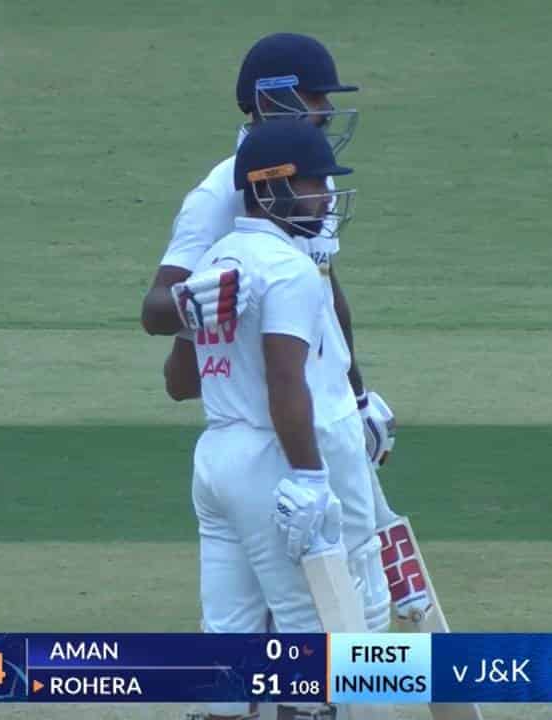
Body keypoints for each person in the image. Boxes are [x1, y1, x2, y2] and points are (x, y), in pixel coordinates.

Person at [146, 32, 397, 637]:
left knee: (255, 626)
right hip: (275, 431)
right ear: (270, 98)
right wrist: (197, 309)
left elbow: (326, 289)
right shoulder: (220, 196)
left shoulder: (310, 183)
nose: (328, 110)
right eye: (315, 96)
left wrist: (357, 394)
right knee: (324, 624)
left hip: (300, 421)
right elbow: (159, 311)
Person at [172, 120, 361, 720]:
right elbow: (286, 380)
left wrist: (196, 329)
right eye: (315, 183)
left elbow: (178, 382)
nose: (326, 197)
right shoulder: (289, 268)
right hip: (268, 460)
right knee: (308, 636)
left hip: (214, 459)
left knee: (226, 641)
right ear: (272, 186)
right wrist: (309, 474)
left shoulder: (215, 258)